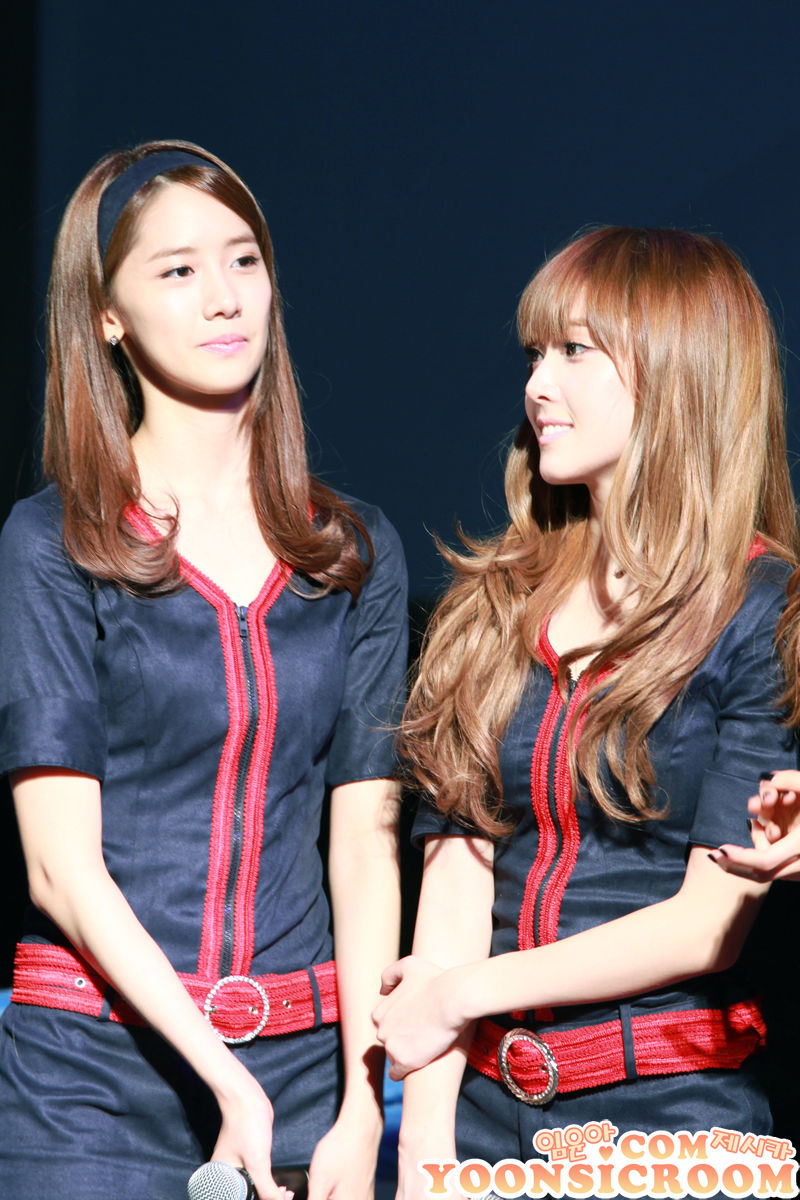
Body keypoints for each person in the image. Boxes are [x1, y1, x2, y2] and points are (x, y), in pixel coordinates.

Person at [0, 140, 408, 1200]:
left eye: (243, 260)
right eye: (177, 270)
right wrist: (227, 1080)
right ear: (108, 316)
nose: (223, 296)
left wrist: (363, 1102)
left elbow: (363, 844)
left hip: (307, 1076)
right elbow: (58, 869)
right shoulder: (54, 542)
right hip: (90, 1078)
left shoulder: (351, 550)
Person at [371, 227, 799, 1195]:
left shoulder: (762, 611)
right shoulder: (493, 604)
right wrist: (428, 1149)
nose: (537, 385)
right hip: (481, 1121)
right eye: (534, 353)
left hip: (672, 1123)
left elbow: (706, 926)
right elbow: (457, 880)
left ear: (677, 373)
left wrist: (463, 993)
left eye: (573, 351)